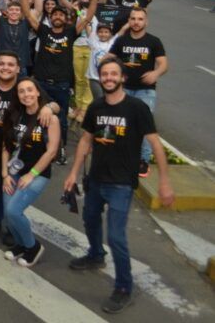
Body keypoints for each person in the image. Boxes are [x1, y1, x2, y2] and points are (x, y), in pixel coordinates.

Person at [64, 58, 175, 314]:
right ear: (100, 78)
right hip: (96, 179)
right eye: (105, 74)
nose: (109, 78)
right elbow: (85, 140)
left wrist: (164, 182)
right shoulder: (96, 106)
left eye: (114, 74)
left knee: (115, 237)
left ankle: (124, 287)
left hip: (121, 184)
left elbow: (155, 144)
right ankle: (95, 255)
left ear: (123, 78)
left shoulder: (137, 108)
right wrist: (73, 173)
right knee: (90, 220)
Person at [0, 52, 58, 243]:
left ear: (18, 68)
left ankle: (11, 227)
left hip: (19, 148)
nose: (5, 67)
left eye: (10, 64)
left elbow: (54, 104)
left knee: (13, 192)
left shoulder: (24, 86)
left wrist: (48, 108)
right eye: (2, 64)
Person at [21, 0, 101, 165]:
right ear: (50, 18)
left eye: (61, 15)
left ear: (65, 19)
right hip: (41, 83)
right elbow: (28, 14)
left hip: (62, 84)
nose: (57, 16)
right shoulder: (44, 31)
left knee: (61, 119)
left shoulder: (71, 32)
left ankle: (60, 147)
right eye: (54, 14)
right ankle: (38, 147)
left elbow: (87, 18)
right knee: (36, 116)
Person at [0, 78, 60, 267]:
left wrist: (31, 174)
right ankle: (21, 245)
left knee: (14, 210)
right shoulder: (14, 115)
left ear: (38, 92)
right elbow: (6, 146)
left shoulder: (49, 118)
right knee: (8, 212)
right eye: (21, 91)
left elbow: (51, 151)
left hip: (37, 174)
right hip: (14, 171)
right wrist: (5, 174)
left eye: (30, 90)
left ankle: (33, 247)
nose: (26, 94)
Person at [108, 8, 167, 177]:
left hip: (145, 91)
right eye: (133, 18)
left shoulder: (154, 41)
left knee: (145, 125)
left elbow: (163, 64)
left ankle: (143, 160)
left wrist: (156, 73)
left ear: (146, 22)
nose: (136, 22)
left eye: (140, 19)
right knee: (120, 123)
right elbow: (108, 58)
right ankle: (118, 155)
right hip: (123, 90)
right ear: (129, 21)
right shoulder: (121, 41)